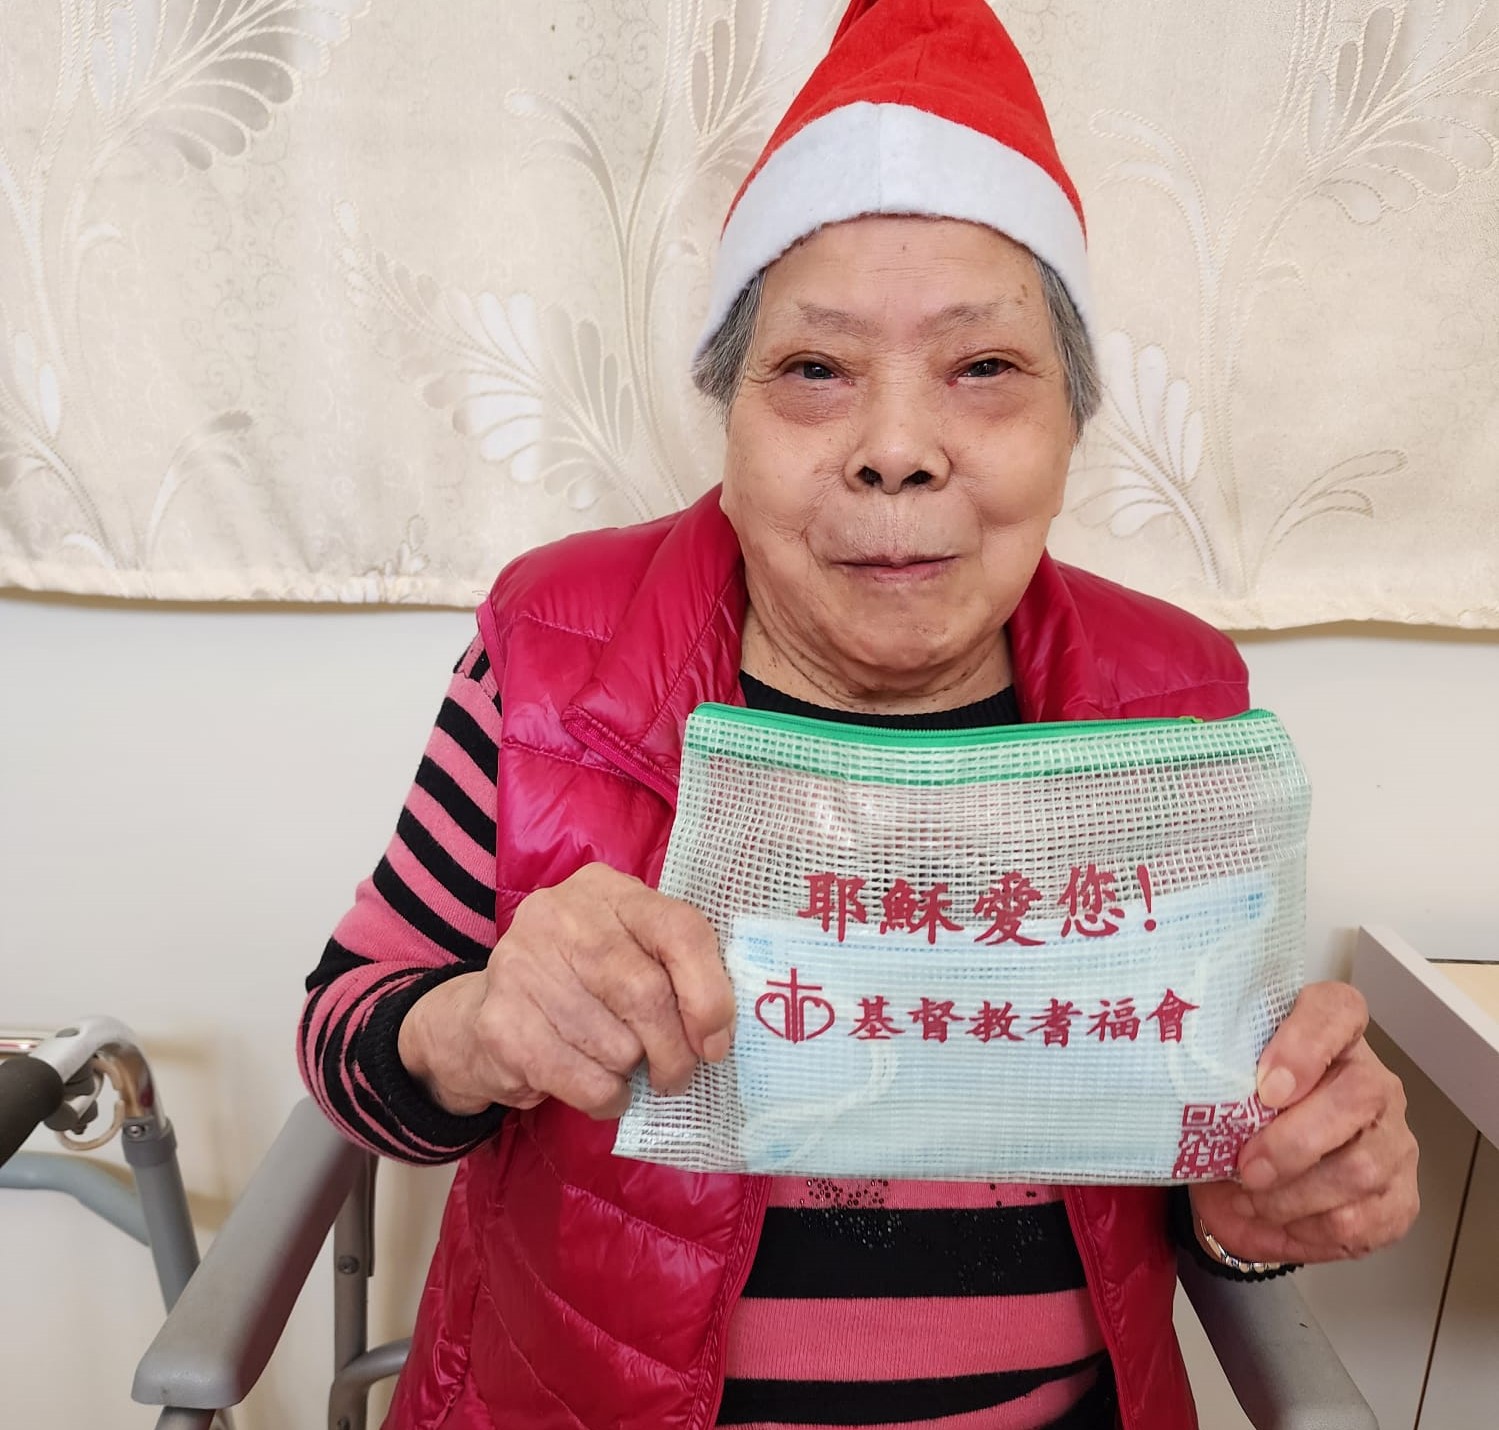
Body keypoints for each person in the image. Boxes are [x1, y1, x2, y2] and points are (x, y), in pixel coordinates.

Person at [299, 3, 1419, 1426]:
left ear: (1072, 422)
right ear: (730, 416)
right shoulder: (554, 661)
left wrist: (1264, 1200)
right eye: (815, 370)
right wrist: (472, 1027)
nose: (896, 450)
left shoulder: (1176, 709)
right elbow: (347, 1035)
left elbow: (1194, 1163)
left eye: (986, 369)